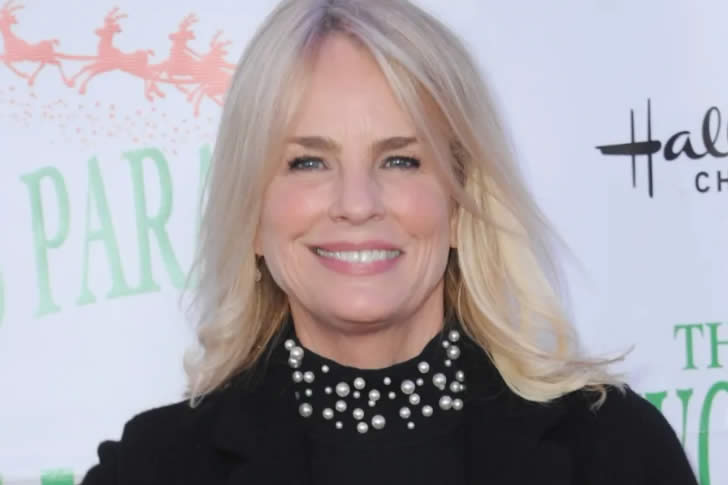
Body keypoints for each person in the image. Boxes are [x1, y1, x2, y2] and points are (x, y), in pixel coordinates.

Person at [81, 0, 699, 484]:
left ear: (462, 201)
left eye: (401, 160)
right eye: (307, 162)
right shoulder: (152, 468)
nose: (357, 203)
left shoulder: (613, 450)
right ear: (251, 216)